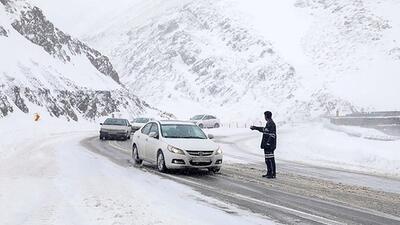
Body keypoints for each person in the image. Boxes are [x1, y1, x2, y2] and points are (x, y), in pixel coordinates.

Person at [250, 111, 277, 178]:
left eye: (265, 116)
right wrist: (255, 128)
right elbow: (264, 130)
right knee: (267, 159)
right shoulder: (268, 123)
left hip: (270, 146)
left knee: (270, 159)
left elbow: (272, 135)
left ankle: (272, 174)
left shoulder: (271, 124)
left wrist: (268, 143)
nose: (264, 117)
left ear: (266, 116)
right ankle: (269, 172)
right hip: (267, 145)